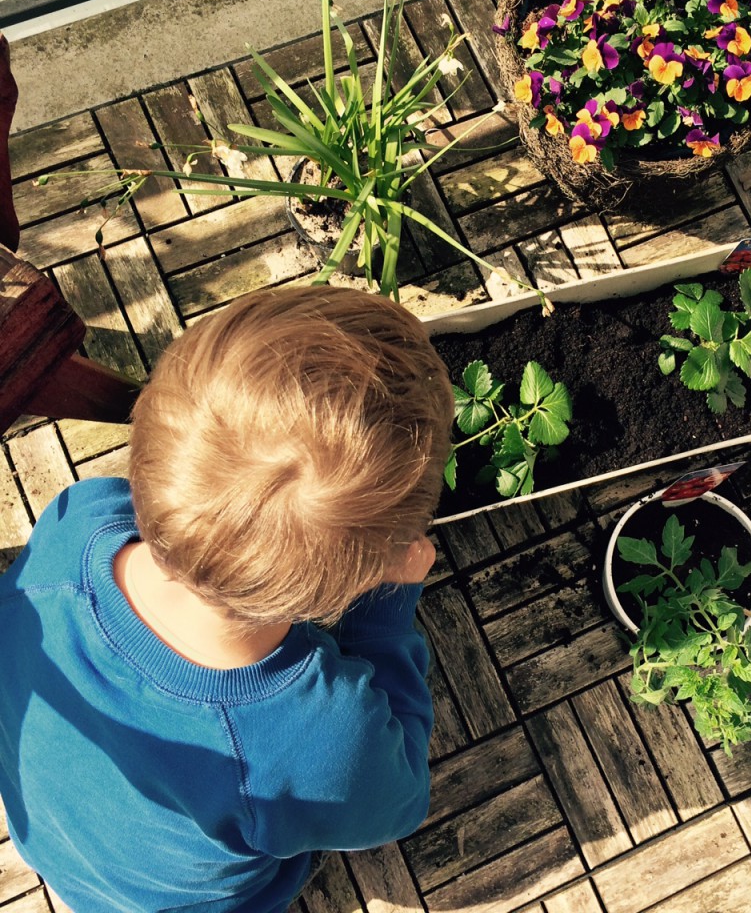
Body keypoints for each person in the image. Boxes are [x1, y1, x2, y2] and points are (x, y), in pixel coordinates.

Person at [0, 285, 454, 912]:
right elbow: (399, 803)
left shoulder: (75, 524)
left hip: (52, 839)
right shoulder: (321, 737)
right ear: (357, 581)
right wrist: (386, 613)